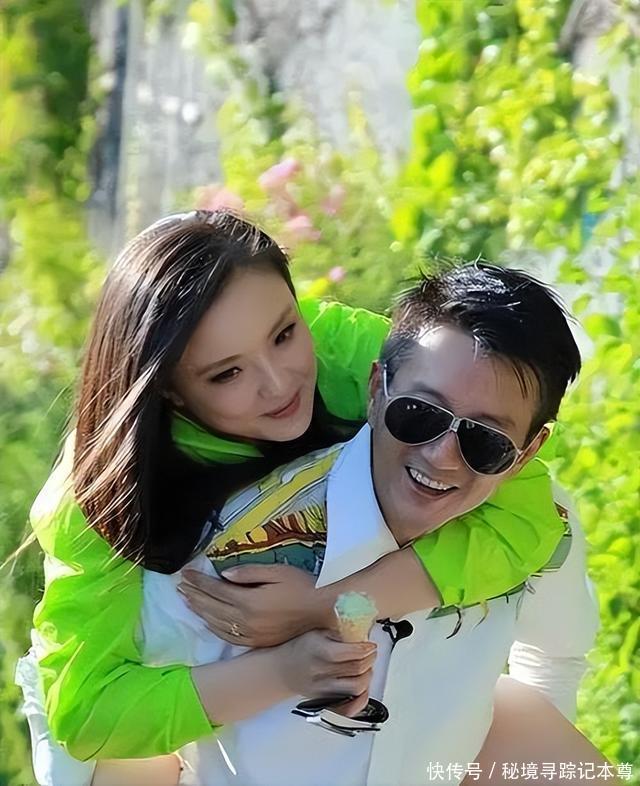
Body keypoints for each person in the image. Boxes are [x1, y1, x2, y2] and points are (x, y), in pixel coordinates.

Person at [21, 262, 603, 786]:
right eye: (418, 414)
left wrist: (326, 605)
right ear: (377, 389)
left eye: (485, 440)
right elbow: (93, 720)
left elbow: (556, 647)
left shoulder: (530, 516)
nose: (444, 455)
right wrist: (282, 671)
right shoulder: (200, 563)